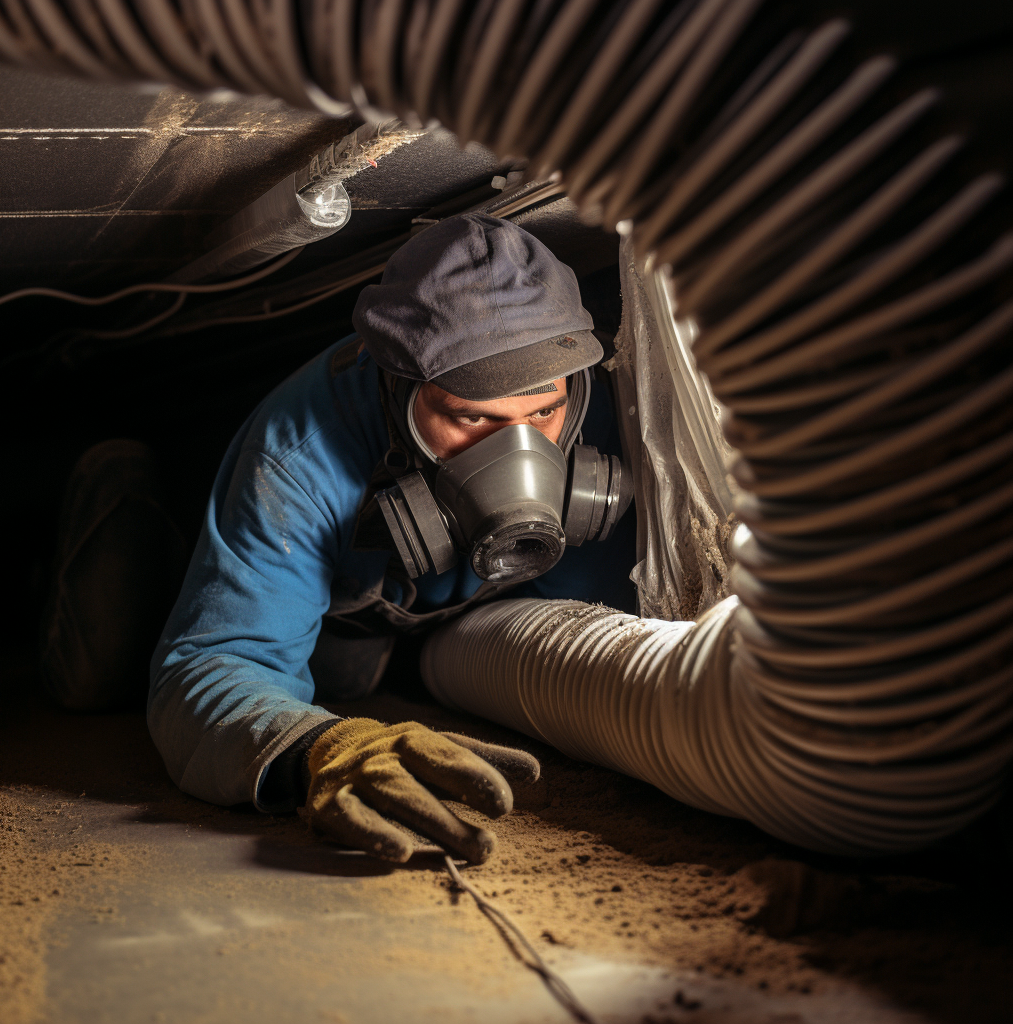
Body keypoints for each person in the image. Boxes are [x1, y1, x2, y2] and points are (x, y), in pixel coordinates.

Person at [43, 213, 637, 864]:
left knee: (345, 674)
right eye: (472, 416)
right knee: (103, 675)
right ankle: (124, 492)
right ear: (400, 387)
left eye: (543, 413)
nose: (522, 450)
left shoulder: (595, 418)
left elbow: (588, 619)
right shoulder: (297, 453)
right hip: (255, 564)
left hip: (371, 617)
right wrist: (313, 748)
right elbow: (212, 664)